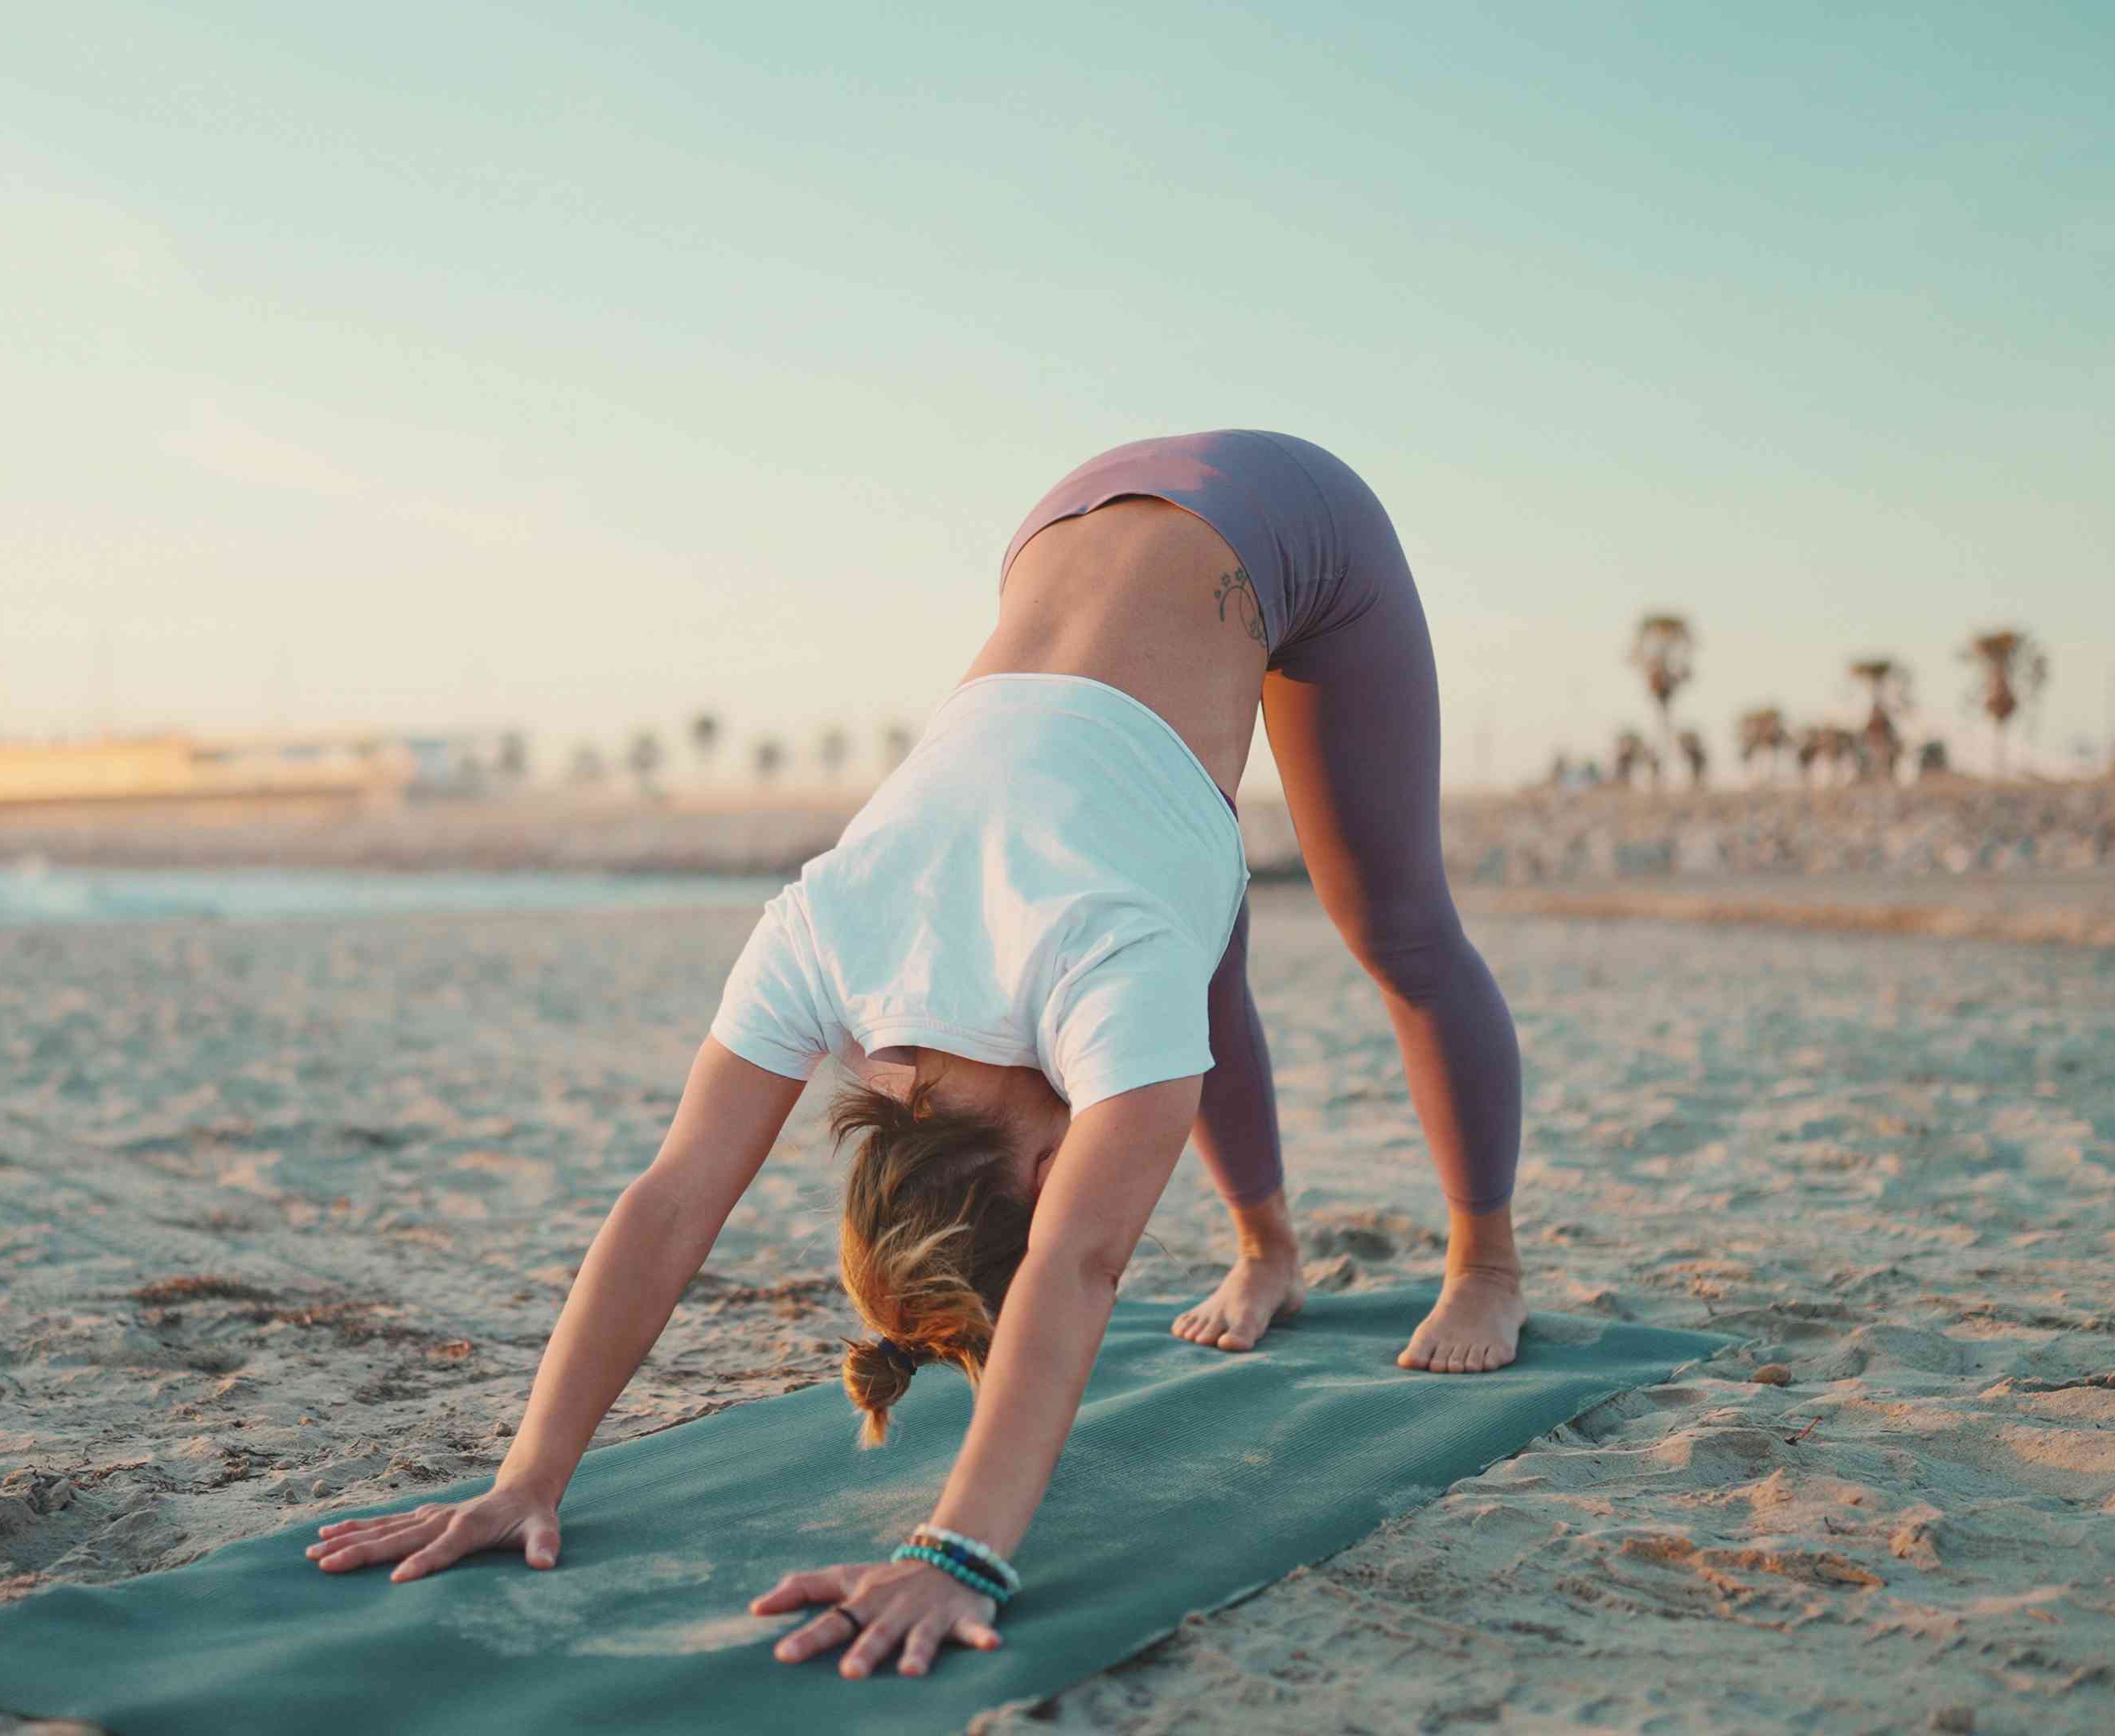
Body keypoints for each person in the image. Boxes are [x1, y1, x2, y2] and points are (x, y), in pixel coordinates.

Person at [304, 430, 1526, 1681]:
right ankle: (1269, 1254)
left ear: (1042, 1171)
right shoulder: (826, 941)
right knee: (1189, 940)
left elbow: (1080, 1263)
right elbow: (669, 1200)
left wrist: (961, 1553)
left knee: (1394, 925)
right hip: (1063, 520)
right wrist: (529, 1473)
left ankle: (1486, 1262)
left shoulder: (1089, 964)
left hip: (1287, 521)